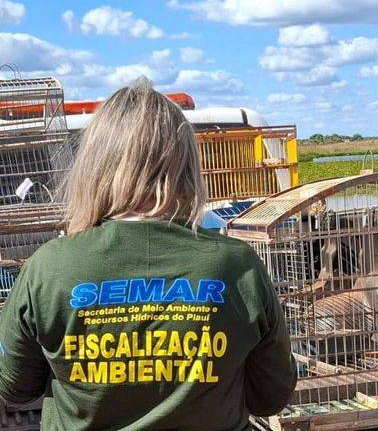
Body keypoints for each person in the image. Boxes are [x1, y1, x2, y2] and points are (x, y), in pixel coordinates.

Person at [0, 78, 297, 430]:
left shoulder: (47, 269)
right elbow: (272, 395)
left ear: (94, 167)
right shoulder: (236, 265)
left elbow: (15, 388)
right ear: (187, 166)